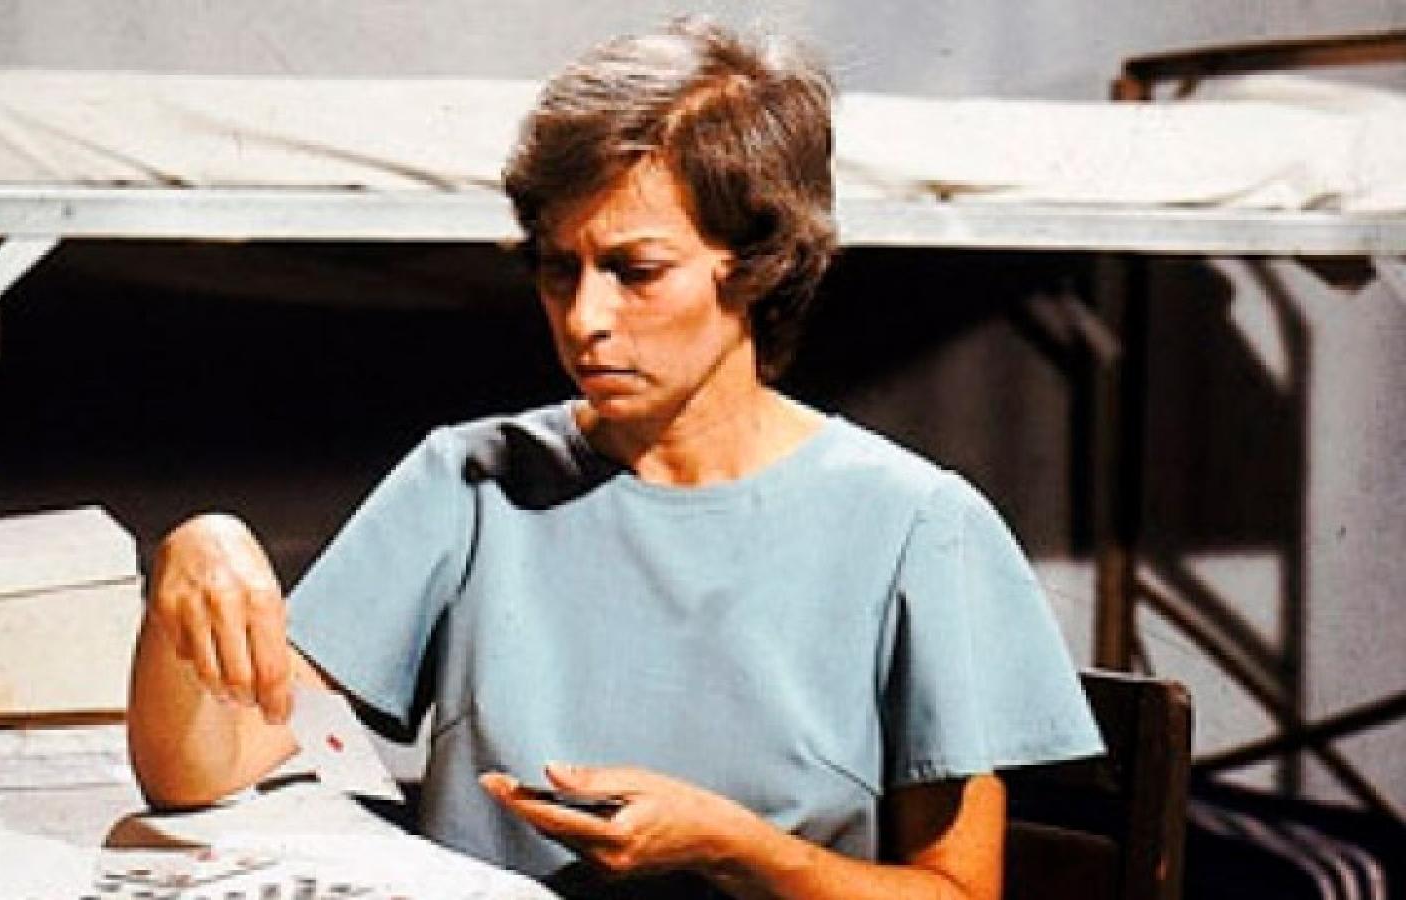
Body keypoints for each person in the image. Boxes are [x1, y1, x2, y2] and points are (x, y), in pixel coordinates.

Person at [127, 18, 1103, 900]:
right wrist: (194, 553)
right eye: (560, 268)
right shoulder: (469, 481)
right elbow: (199, 774)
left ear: (758, 268)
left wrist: (740, 849)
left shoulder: (918, 526)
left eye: (636, 271)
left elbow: (957, 894)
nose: (584, 318)